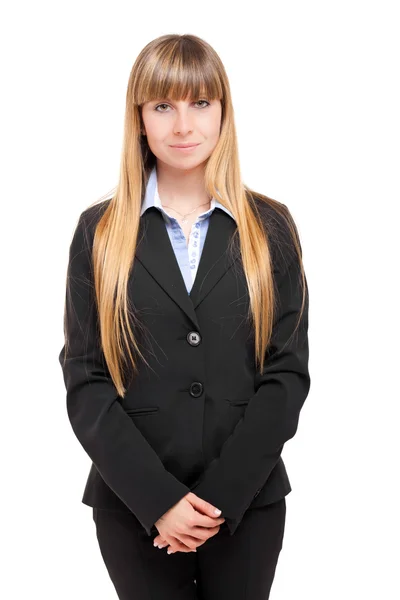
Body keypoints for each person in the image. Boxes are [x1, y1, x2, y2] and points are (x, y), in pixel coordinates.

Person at [58, 33, 310, 600]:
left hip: (247, 506)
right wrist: (159, 501)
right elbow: (85, 379)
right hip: (134, 510)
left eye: (200, 103)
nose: (183, 125)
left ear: (223, 112)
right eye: (163, 106)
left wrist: (219, 498)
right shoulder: (98, 232)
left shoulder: (271, 228)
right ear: (140, 118)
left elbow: (287, 373)